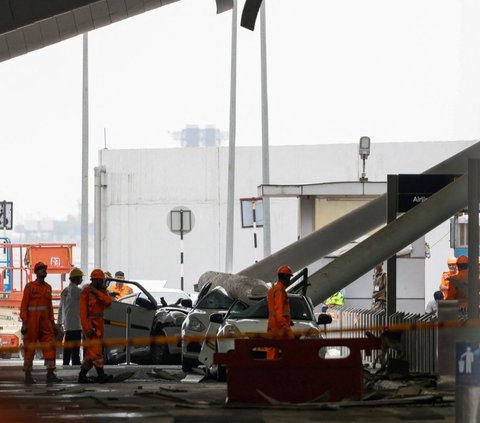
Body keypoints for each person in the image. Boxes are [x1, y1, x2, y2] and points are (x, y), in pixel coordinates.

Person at [20, 261, 62, 384]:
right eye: (41, 269)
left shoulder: (48, 287)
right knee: (30, 348)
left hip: (45, 323)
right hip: (31, 322)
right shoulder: (29, 287)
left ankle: (50, 373)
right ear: (36, 272)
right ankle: (28, 375)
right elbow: (24, 306)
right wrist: (24, 323)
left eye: (44, 269)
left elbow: (49, 307)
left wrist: (53, 323)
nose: (44, 271)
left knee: (50, 346)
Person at [78, 269, 113, 383]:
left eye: (100, 280)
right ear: (92, 280)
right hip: (91, 325)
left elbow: (108, 302)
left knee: (91, 353)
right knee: (96, 351)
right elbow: (83, 313)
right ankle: (101, 374)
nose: (98, 283)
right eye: (96, 280)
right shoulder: (86, 292)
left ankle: (82, 376)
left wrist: (97, 292)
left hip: (99, 324)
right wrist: (87, 328)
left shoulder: (102, 291)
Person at [266, 265, 295, 360]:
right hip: (281, 326)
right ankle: (288, 371)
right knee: (292, 348)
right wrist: (285, 326)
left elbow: (273, 310)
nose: (289, 280)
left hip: (272, 325)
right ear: (285, 277)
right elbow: (279, 311)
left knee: (272, 351)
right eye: (289, 277)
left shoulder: (272, 290)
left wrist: (289, 321)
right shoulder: (280, 291)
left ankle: (270, 372)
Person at [58, 267, 83, 365]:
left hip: (68, 325)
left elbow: (61, 308)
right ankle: (76, 364)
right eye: (80, 278)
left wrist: (59, 323)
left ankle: (65, 364)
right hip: (76, 324)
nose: (81, 280)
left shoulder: (65, 291)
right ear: (76, 278)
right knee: (75, 349)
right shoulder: (79, 291)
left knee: (67, 348)